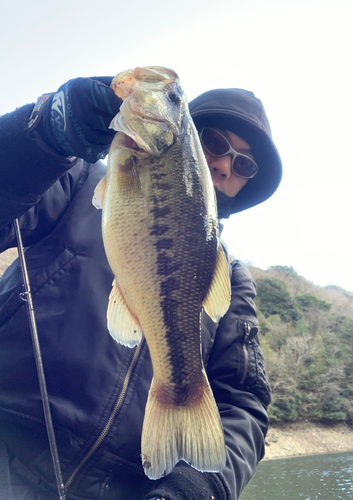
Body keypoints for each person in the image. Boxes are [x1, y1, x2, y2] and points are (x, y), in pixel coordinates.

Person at [0, 75, 282, 500]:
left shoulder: (235, 279)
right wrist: (41, 135)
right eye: (216, 142)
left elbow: (243, 400)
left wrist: (199, 485)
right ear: (186, 133)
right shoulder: (78, 182)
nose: (225, 164)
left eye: (244, 164)